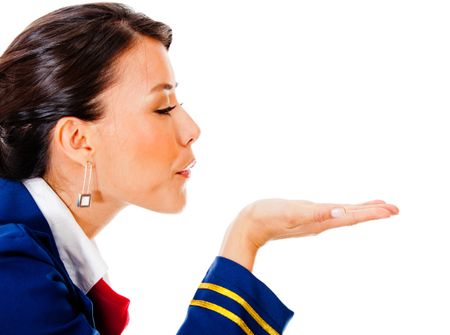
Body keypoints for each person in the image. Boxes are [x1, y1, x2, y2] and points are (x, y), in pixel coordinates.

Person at [0, 3, 399, 334]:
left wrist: (248, 233)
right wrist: (246, 239)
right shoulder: (13, 274)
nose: (191, 130)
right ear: (78, 140)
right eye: (163, 108)